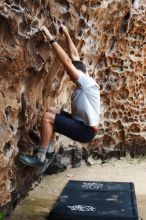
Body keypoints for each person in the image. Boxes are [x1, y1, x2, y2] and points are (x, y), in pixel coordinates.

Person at [19, 24, 100, 168]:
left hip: (85, 131)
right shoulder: (86, 76)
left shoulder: (84, 82)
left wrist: (50, 36)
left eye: (71, 74)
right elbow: (75, 56)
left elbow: (67, 61)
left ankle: (41, 157)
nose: (69, 75)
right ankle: (49, 150)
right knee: (52, 110)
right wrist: (67, 33)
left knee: (48, 118)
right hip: (81, 124)